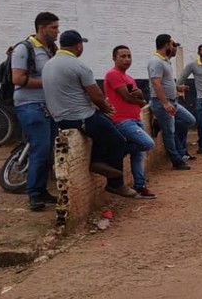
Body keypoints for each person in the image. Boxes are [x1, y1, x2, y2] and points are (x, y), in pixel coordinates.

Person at [41, 30, 136, 198]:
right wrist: (105, 107)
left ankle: (99, 161)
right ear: (78, 46)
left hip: (59, 117)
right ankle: (115, 183)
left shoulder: (49, 64)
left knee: (102, 129)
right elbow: (97, 95)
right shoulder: (78, 65)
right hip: (80, 116)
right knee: (118, 140)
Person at [11, 12, 60, 211]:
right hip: (30, 105)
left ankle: (41, 190)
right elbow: (18, 79)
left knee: (48, 149)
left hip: (48, 106)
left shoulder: (51, 50)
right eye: (53, 28)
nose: (57, 32)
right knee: (40, 148)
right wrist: (49, 83)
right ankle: (33, 194)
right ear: (41, 28)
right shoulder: (24, 49)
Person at [104, 45, 156, 199]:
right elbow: (126, 97)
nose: (127, 59)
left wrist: (139, 95)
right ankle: (119, 151)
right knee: (147, 144)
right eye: (123, 56)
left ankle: (140, 186)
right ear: (114, 58)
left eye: (129, 56)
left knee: (139, 154)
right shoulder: (112, 74)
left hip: (134, 119)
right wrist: (138, 97)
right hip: (122, 120)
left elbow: (142, 103)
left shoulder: (129, 78)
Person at [148, 34, 197, 170]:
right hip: (162, 102)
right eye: (173, 44)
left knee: (189, 120)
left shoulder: (164, 61)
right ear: (166, 45)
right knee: (169, 132)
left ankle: (178, 150)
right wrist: (165, 103)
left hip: (171, 101)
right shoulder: (156, 61)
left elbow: (163, 83)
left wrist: (176, 88)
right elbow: (156, 84)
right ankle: (176, 160)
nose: (174, 47)